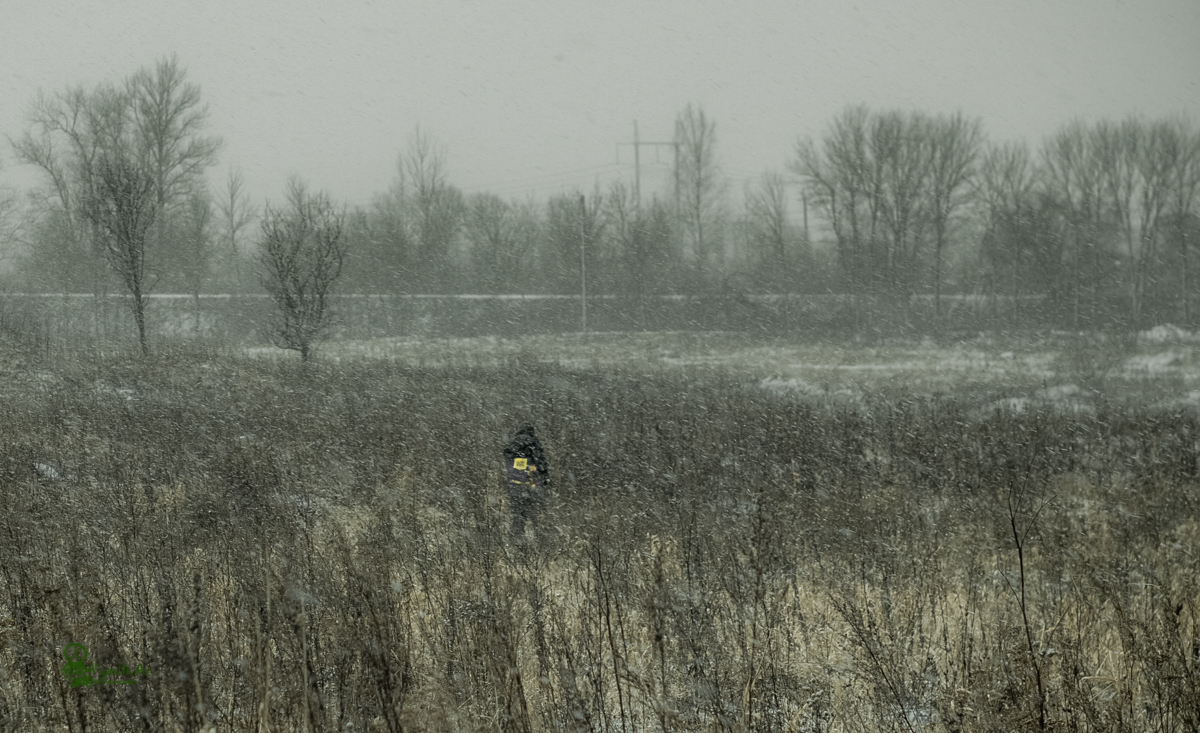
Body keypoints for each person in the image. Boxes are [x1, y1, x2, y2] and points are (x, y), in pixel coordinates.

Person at [504, 423, 549, 537]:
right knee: (536, 513)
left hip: (515, 483)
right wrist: (545, 477)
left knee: (517, 513)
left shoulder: (512, 444)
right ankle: (540, 538)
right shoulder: (533, 442)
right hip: (532, 482)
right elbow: (540, 462)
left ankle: (516, 538)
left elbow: (508, 463)